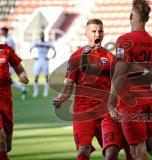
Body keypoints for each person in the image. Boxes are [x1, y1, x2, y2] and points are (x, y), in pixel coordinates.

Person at [52, 19, 132, 160]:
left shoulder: (110, 57)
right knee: (83, 151)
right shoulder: (76, 57)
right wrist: (61, 97)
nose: (97, 34)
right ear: (87, 34)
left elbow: (119, 83)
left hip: (106, 113)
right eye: (94, 31)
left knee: (111, 154)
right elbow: (68, 86)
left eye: (100, 31)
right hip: (83, 114)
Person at [107, 0, 152, 159]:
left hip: (130, 102)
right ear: (147, 19)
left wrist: (110, 103)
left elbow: (120, 75)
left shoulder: (124, 40)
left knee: (138, 152)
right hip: (148, 101)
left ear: (131, 16)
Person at [0, 43, 29, 159]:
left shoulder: (6, 49)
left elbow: (19, 69)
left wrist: (22, 76)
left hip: (5, 97)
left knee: (7, 144)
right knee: (0, 139)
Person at [1, 27, 27, 100]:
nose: (1, 32)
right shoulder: (7, 40)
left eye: (2, 31)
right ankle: (22, 89)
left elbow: (8, 51)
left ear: (5, 32)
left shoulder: (9, 40)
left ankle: (22, 89)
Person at [30, 32, 56, 97]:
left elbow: (55, 51)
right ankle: (35, 92)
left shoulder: (48, 43)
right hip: (38, 61)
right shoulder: (37, 42)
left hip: (45, 61)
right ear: (40, 36)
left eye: (43, 35)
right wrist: (33, 56)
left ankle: (45, 91)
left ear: (44, 36)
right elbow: (31, 49)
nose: (42, 36)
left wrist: (50, 57)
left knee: (46, 77)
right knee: (36, 76)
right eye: (41, 35)